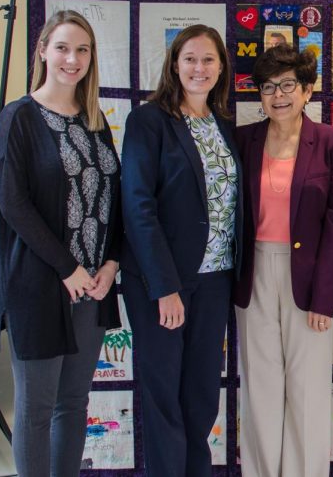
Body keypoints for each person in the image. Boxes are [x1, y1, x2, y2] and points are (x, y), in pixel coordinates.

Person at [0, 9, 122, 477]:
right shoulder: (18, 118)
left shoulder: (95, 122)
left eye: (82, 49)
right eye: (63, 47)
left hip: (92, 289)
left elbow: (114, 199)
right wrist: (68, 268)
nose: (73, 58)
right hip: (41, 287)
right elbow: (13, 204)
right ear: (42, 50)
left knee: (73, 402)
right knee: (37, 407)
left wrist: (111, 264)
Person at [120, 24, 243, 477]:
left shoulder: (224, 125)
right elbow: (137, 205)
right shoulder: (148, 120)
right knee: (163, 396)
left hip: (215, 281)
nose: (199, 68)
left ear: (221, 68)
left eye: (208, 59)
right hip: (162, 283)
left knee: (201, 396)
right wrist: (164, 287)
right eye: (190, 58)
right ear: (174, 64)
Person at [234, 45, 333, 477]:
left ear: (307, 90)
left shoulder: (332, 142)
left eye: (287, 85)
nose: (277, 95)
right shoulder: (244, 140)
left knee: (307, 392)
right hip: (255, 275)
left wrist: (326, 299)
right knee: (261, 389)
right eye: (267, 87)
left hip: (310, 279)